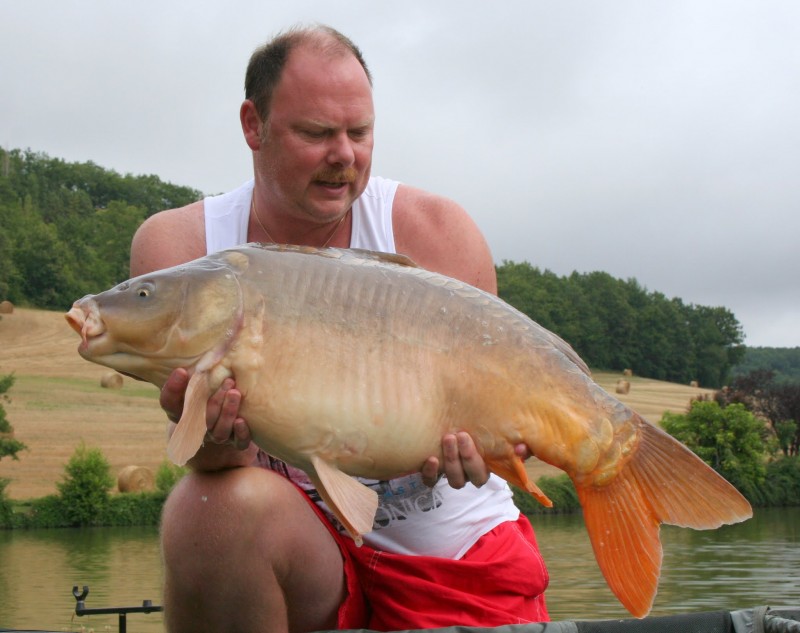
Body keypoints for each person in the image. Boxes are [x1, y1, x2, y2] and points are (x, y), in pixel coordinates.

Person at [130, 25, 549, 633]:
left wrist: (494, 447)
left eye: (359, 132)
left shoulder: (436, 233)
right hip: (305, 549)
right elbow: (214, 461)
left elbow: (500, 416)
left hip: (452, 544)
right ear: (253, 125)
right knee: (205, 512)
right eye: (316, 133)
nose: (344, 155)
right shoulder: (185, 253)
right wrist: (214, 433)